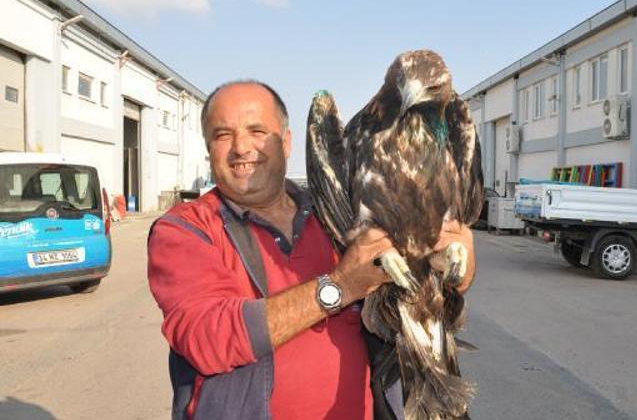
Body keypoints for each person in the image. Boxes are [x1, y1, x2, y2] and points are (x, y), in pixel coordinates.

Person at [147, 80, 476, 420]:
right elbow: (208, 339)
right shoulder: (186, 228)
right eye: (222, 135)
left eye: (257, 130)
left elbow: (418, 279)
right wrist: (340, 287)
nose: (241, 147)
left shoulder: (336, 212)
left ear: (287, 143)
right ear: (208, 148)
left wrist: (453, 262)